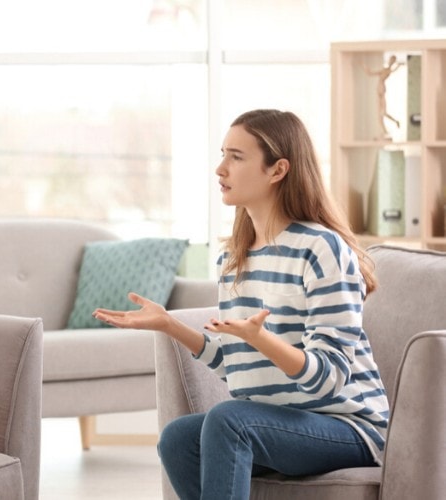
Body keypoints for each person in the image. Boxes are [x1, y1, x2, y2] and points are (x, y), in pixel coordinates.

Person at [93, 109, 389, 500]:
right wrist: (169, 325)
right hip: (284, 423)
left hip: (349, 427)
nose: (220, 169)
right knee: (178, 438)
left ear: (277, 170)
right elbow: (237, 369)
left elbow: (331, 376)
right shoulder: (234, 258)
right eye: (222, 154)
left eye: (236, 157)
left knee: (229, 420)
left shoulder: (321, 248)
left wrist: (262, 339)